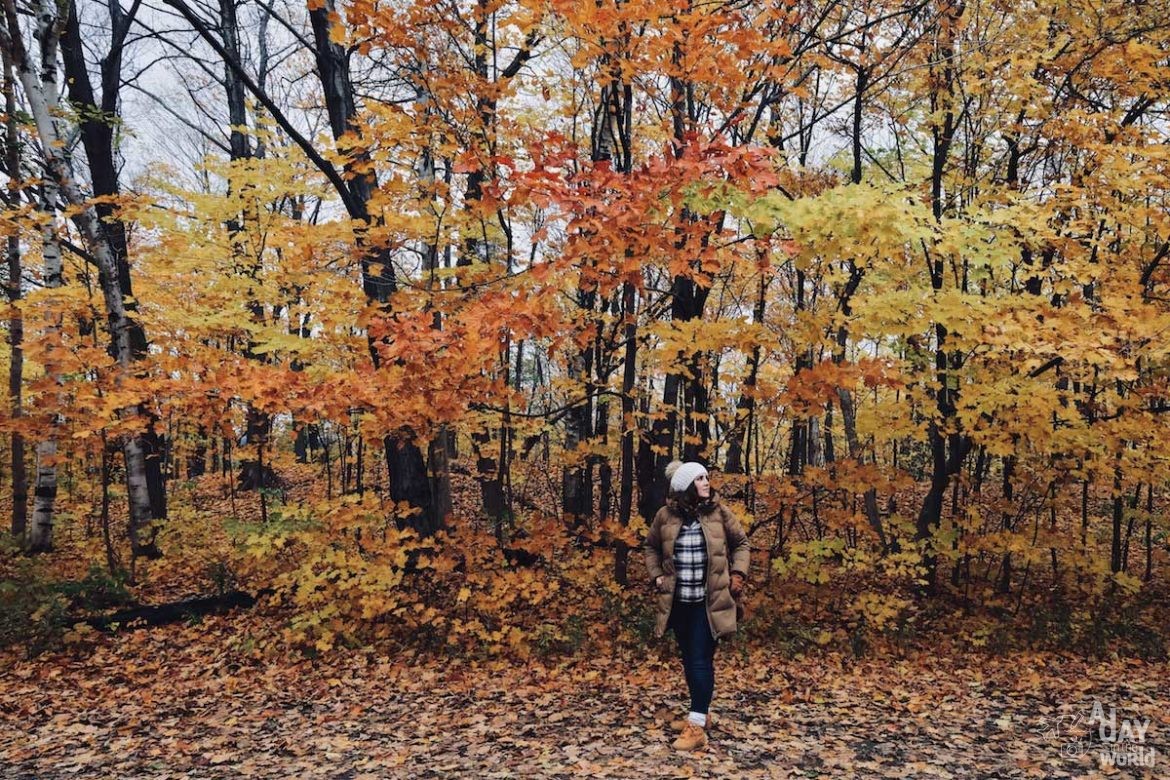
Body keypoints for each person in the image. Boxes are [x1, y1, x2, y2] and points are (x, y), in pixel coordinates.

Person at [644, 460, 750, 752]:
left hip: (711, 603)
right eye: (700, 478)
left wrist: (738, 574)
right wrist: (657, 577)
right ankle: (700, 714)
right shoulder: (665, 516)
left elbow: (741, 543)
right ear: (686, 487)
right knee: (690, 660)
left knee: (701, 659)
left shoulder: (719, 513)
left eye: (707, 477)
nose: (707, 482)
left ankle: (697, 728)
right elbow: (650, 547)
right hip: (678, 603)